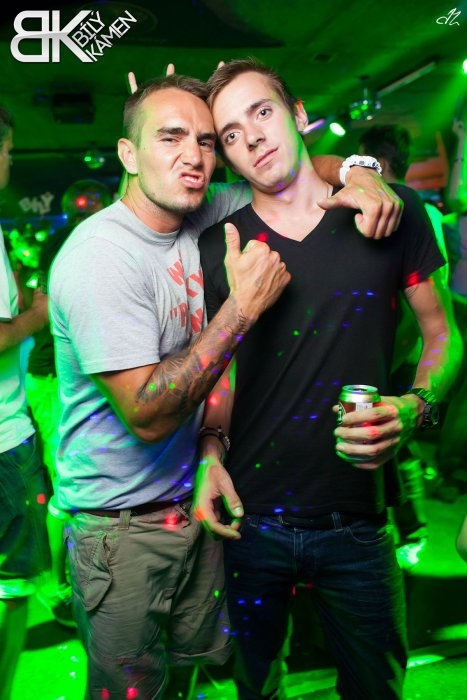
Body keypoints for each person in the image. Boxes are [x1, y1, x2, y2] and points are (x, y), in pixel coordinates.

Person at [49, 69, 404, 699]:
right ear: (128, 154)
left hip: (198, 509)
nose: (193, 155)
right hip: (121, 528)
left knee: (205, 677)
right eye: (170, 137)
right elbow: (148, 415)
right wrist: (241, 310)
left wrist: (361, 169)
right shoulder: (100, 258)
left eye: (208, 141)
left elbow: (296, 170)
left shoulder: (202, 207)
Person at [195, 59, 462, 700]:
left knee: (376, 688)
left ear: (299, 114)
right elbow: (222, 372)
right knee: (256, 685)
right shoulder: (221, 247)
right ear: (227, 156)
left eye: (262, 112)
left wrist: (416, 405)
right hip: (251, 520)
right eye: (231, 133)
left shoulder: (391, 214)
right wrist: (208, 454)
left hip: (359, 523)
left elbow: (444, 336)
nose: (252, 137)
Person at [358, 124, 450, 559]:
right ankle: (411, 530)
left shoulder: (403, 210)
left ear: (376, 160)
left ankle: (411, 531)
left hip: (400, 350)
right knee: (395, 441)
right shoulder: (423, 211)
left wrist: (389, 359)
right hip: (406, 349)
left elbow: (422, 305)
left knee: (395, 440)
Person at [25, 179, 112, 627]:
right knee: (67, 483)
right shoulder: (73, 243)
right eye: (84, 208)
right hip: (53, 378)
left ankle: (74, 578)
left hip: (64, 376)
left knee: (75, 480)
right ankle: (60, 586)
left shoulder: (78, 239)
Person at [0, 105, 50, 700]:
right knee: (10, 590)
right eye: (8, 150)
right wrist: (37, 314)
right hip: (3, 443)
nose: (9, 162)